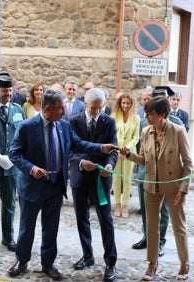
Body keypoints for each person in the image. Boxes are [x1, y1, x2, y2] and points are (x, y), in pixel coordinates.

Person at [7, 87, 116, 280]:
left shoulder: (64, 126)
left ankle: (47, 264)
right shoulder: (26, 127)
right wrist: (32, 169)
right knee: (27, 227)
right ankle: (21, 261)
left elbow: (80, 144)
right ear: (48, 109)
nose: (65, 112)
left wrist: (101, 147)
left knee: (51, 228)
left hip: (55, 187)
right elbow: (14, 154)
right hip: (32, 186)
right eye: (61, 108)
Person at [120, 96, 192, 281]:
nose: (147, 117)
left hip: (173, 186)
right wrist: (128, 154)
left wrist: (183, 190)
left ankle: (184, 263)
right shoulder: (145, 131)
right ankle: (152, 264)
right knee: (151, 227)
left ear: (162, 114)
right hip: (150, 185)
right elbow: (143, 159)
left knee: (179, 226)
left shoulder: (178, 131)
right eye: (146, 113)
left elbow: (188, 164)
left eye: (150, 114)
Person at [69, 88, 117, 281]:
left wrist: (109, 165)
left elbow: (113, 150)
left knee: (105, 219)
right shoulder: (72, 121)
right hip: (80, 177)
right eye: (94, 108)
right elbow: (69, 150)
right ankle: (87, 255)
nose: (98, 111)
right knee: (82, 218)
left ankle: (110, 262)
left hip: (101, 178)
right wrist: (81, 162)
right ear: (86, 104)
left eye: (101, 107)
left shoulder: (109, 121)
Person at [0, 75, 26, 252]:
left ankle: (8, 238)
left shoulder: (18, 110)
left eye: (10, 90)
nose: (8, 94)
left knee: (10, 203)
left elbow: (22, 138)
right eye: (4, 90)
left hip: (11, 166)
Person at [111, 93, 140, 218]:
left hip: (129, 152)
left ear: (131, 104)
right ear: (120, 103)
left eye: (128, 103)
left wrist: (126, 149)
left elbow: (136, 137)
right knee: (116, 179)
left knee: (127, 179)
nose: (125, 105)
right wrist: (118, 149)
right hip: (116, 151)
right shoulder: (113, 116)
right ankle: (117, 204)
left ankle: (125, 205)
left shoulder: (136, 118)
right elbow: (111, 134)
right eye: (123, 103)